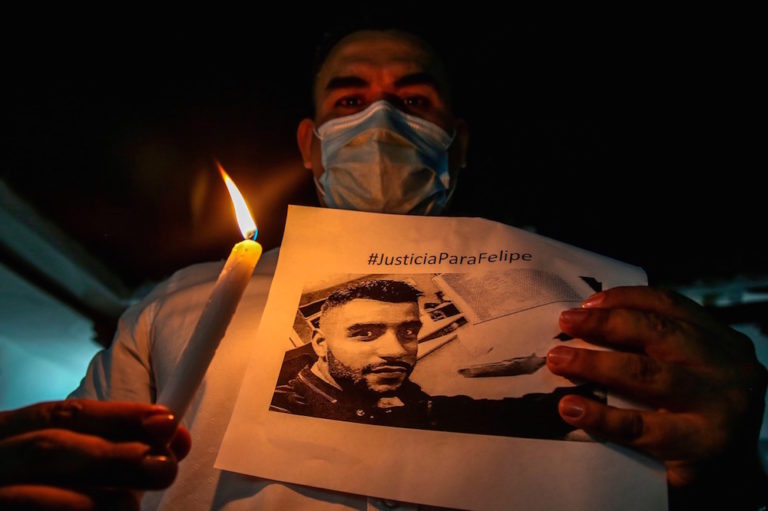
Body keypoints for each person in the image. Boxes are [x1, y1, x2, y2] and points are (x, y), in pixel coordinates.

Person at [1, 26, 766, 510]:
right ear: (309, 146)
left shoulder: (577, 297)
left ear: (457, 145)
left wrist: (727, 463)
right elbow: (83, 471)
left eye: (414, 98)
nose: (382, 116)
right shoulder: (183, 302)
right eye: (350, 99)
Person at [270, 279, 598, 439]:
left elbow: (470, 414)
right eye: (366, 333)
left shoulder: (382, 387)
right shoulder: (285, 413)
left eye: (408, 332)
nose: (397, 350)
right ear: (320, 343)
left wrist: (579, 403)